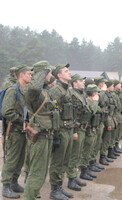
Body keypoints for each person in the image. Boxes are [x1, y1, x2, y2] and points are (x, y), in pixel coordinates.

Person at [23, 61, 56, 200]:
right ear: (43, 73)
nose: (51, 75)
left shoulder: (43, 91)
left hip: (46, 135)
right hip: (39, 136)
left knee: (41, 172)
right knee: (36, 172)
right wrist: (43, 72)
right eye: (49, 72)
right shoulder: (33, 90)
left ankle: (35, 196)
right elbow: (34, 89)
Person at [1, 64, 32, 199]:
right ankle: (5, 186)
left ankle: (14, 182)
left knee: (20, 159)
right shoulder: (13, 91)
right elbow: (6, 111)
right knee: (12, 159)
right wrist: (21, 121)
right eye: (29, 74)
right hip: (14, 130)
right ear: (21, 75)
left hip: (22, 131)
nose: (31, 76)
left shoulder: (24, 91)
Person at [49, 64, 74, 200]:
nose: (69, 73)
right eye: (66, 71)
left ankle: (59, 186)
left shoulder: (67, 90)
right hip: (61, 131)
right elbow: (53, 113)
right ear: (58, 75)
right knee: (57, 161)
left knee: (65, 160)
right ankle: (54, 190)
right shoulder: (56, 91)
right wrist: (56, 134)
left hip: (69, 129)